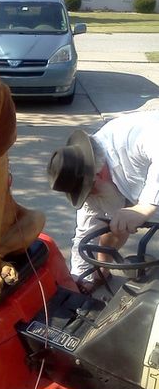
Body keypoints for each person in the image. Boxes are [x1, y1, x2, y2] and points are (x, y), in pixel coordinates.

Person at [47, 110, 159, 294]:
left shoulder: (132, 138)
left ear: (98, 175)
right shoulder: (86, 173)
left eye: (90, 192)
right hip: (132, 184)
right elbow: (86, 231)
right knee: (114, 223)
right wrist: (80, 277)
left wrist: (146, 205)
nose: (90, 198)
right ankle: (101, 272)